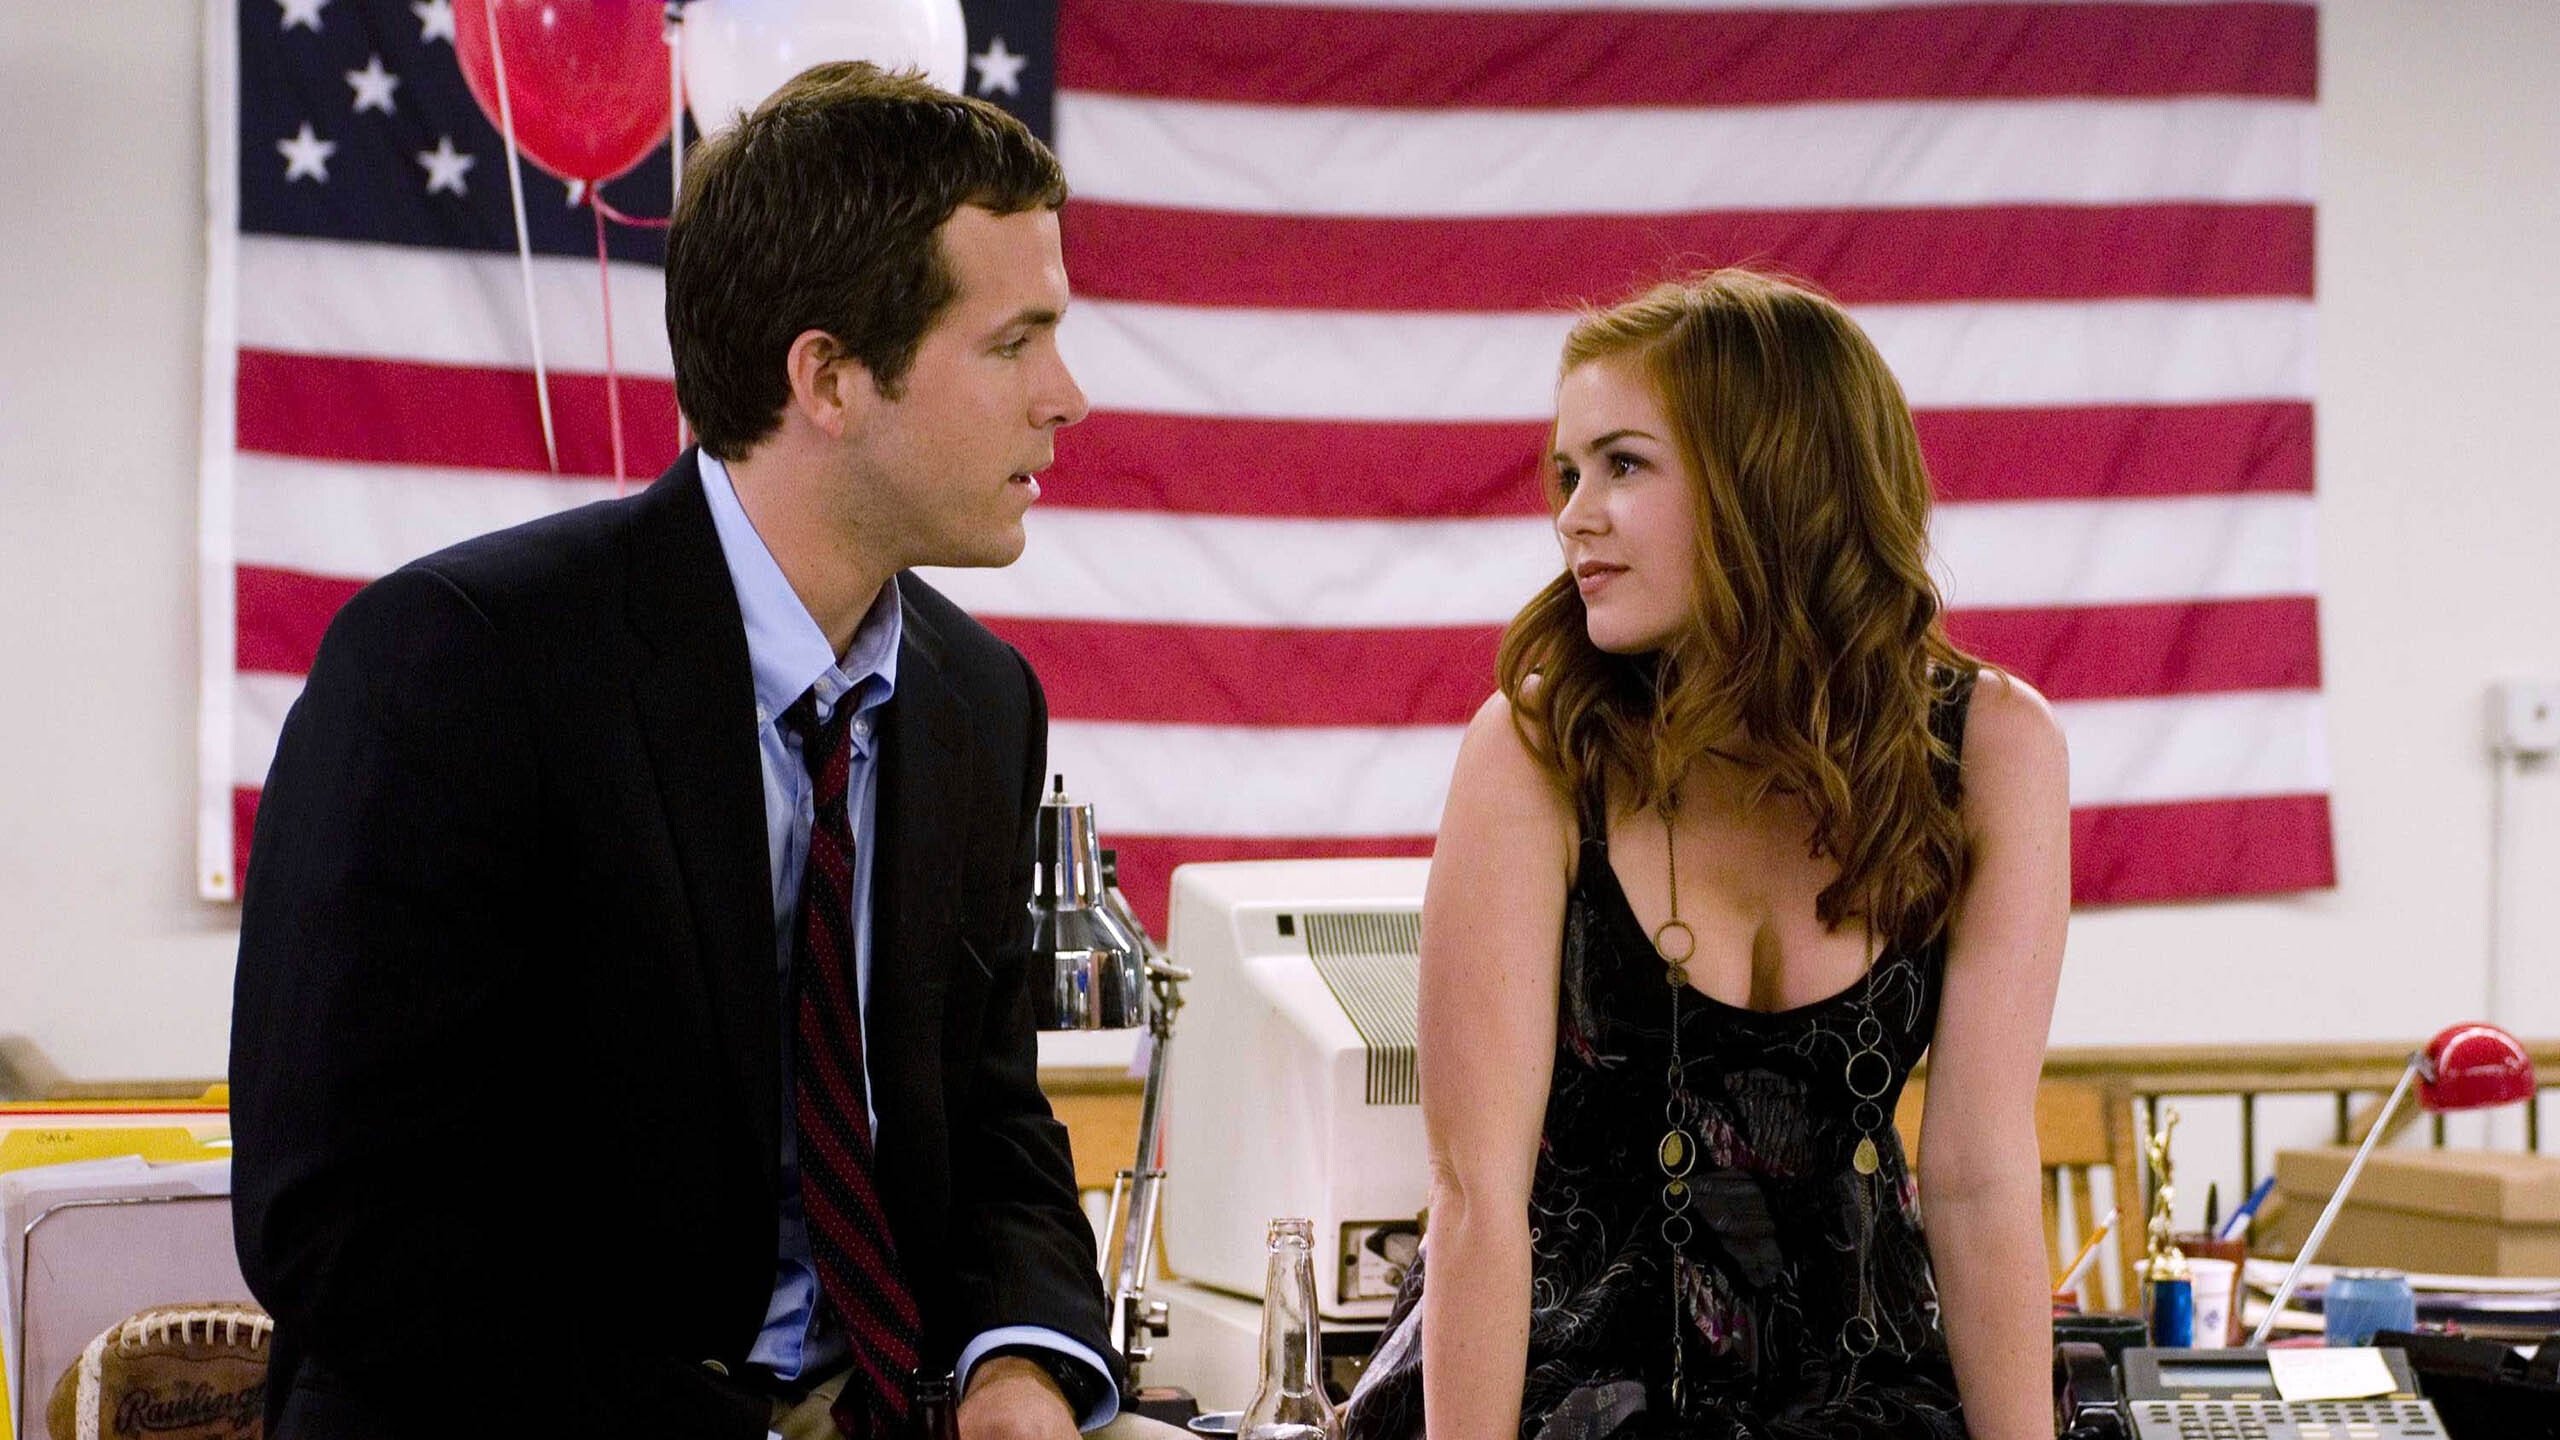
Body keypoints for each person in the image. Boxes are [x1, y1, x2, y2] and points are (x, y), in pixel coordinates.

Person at [230, 64, 1127, 1440]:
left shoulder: (980, 700)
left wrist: (1023, 1364)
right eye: (1015, 343)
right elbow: (348, 1229)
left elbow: (994, 1125)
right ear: (828, 379)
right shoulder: (457, 663)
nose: (1067, 396)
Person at [1340, 271, 2070, 1440]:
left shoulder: (1993, 747)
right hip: (1555, 1391)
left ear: (1769, 482)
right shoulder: (1536, 748)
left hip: (1864, 1395)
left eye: (1622, 466)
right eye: (1567, 474)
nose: (1573, 515)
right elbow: (1477, 1198)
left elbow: (1977, 1178)